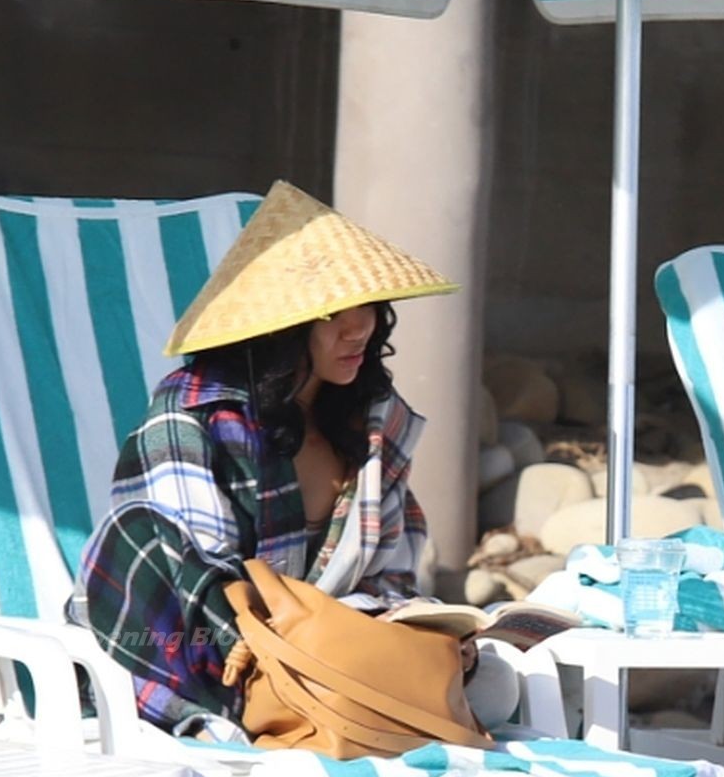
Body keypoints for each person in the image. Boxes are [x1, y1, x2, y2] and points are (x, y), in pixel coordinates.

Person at [75, 181, 513, 736]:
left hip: (322, 645)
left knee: (497, 684)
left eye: (370, 305)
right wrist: (326, 641)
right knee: (147, 543)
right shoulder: (194, 416)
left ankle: (330, 706)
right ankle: (290, 711)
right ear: (278, 327)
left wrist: (430, 631)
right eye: (333, 313)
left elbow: (387, 578)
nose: (361, 327)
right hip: (198, 652)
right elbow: (198, 587)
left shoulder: (370, 422)